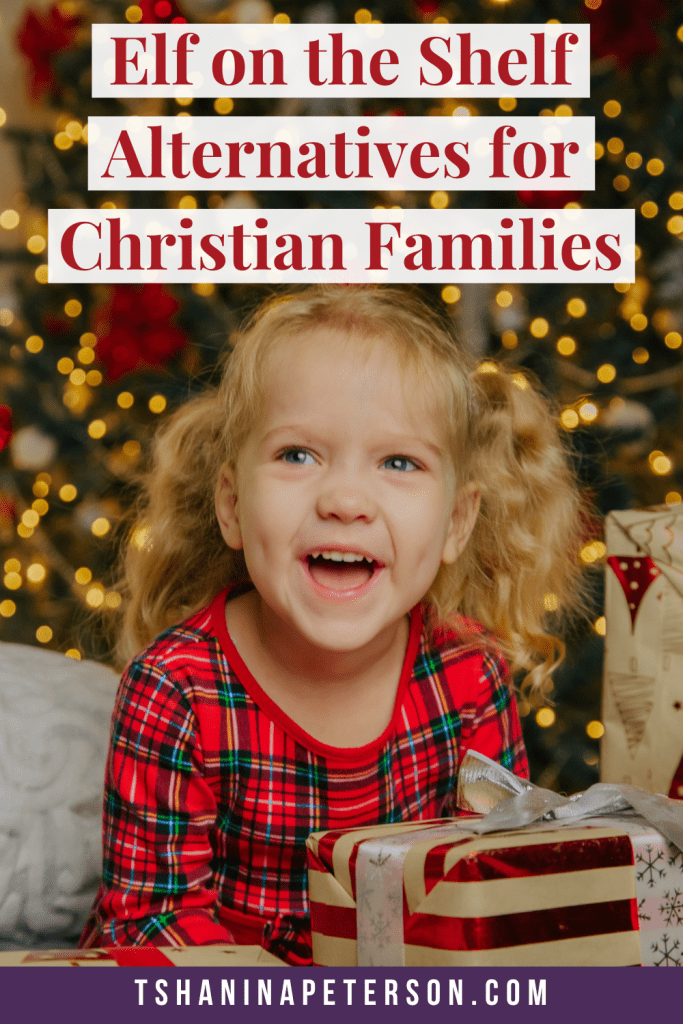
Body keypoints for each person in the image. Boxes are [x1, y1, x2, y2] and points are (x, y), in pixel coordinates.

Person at [79, 285, 585, 964]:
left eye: (397, 462)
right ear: (231, 505)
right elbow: (150, 922)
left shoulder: (468, 676)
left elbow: (484, 889)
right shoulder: (176, 690)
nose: (345, 500)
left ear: (455, 524)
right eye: (297, 455)